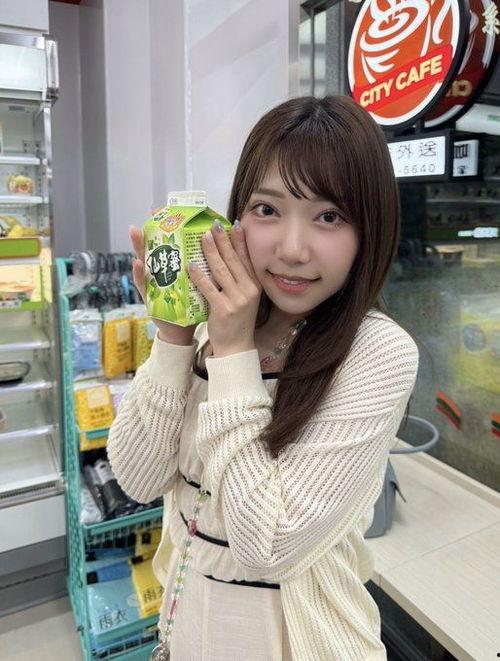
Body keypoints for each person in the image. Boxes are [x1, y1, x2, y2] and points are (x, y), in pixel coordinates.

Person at [108, 94, 419, 660]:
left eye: (329, 216)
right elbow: (139, 479)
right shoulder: (217, 323)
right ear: (237, 216)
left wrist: (231, 354)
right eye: (267, 209)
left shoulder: (377, 351)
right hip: (188, 637)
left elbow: (268, 546)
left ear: (370, 229)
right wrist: (174, 335)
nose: (293, 250)